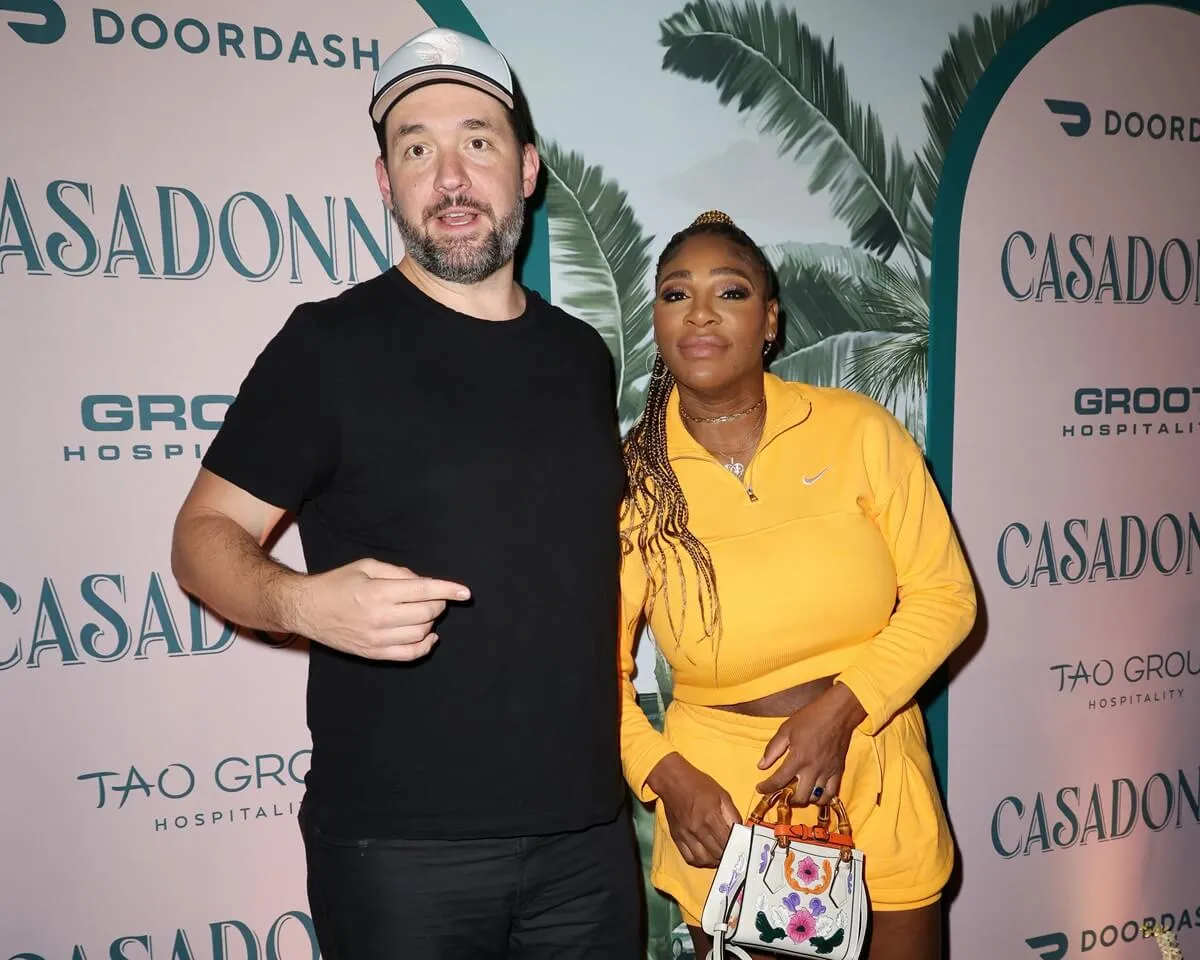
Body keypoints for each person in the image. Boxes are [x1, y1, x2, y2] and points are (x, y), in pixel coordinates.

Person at [171, 26, 639, 960]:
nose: (451, 176)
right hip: (399, 850)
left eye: (478, 139)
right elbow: (201, 537)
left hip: (589, 837)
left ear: (529, 167)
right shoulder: (327, 347)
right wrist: (299, 602)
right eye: (417, 148)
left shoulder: (581, 356)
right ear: (386, 182)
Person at [617, 210, 977, 960]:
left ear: (770, 321)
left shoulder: (858, 430)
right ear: (657, 320)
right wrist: (665, 778)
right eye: (677, 294)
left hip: (877, 769)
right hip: (726, 812)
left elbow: (946, 595)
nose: (703, 313)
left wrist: (841, 711)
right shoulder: (632, 479)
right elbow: (591, 670)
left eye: (732, 291)